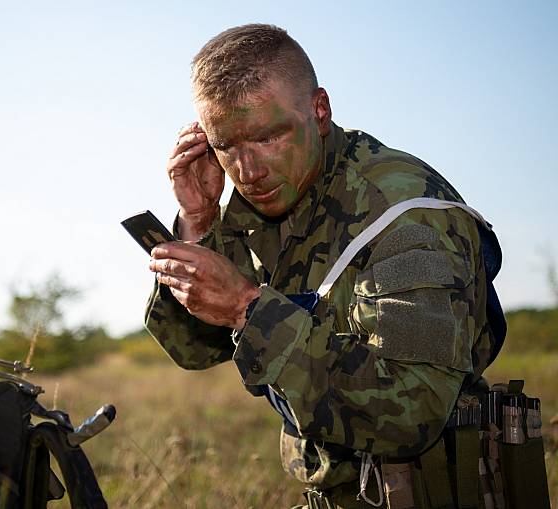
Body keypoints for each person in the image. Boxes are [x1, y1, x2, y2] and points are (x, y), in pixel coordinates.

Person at [144, 24, 505, 508]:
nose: (248, 172)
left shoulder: (403, 214)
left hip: (430, 493)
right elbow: (196, 349)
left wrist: (249, 310)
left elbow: (413, 412)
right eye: (227, 146)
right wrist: (199, 223)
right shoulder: (273, 199)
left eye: (267, 136)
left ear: (319, 110)